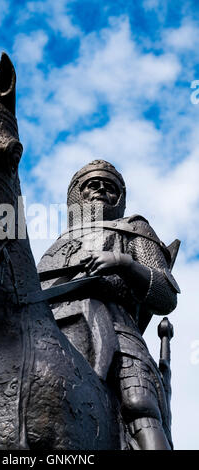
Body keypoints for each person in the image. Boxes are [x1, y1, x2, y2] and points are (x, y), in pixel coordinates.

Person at [38, 160, 180, 450]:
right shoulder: (58, 245)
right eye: (93, 184)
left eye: (110, 186)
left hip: (118, 329)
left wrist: (123, 263)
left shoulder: (134, 229)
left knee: (139, 403)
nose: (102, 188)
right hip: (51, 330)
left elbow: (165, 296)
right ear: (78, 195)